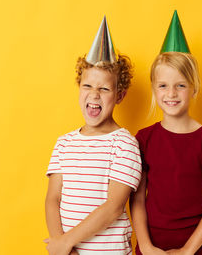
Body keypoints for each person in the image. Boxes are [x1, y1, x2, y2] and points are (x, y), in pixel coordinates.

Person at [131, 11, 202, 255]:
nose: (171, 93)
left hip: (195, 248)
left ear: (194, 89)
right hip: (150, 248)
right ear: (154, 90)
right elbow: (138, 199)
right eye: (163, 86)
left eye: (181, 85)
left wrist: (187, 251)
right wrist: (145, 246)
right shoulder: (143, 139)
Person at [44, 16, 142, 255]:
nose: (94, 94)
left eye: (104, 88)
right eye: (88, 86)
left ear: (119, 95)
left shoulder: (124, 144)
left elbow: (114, 206)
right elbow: (52, 199)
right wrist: (62, 245)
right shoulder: (64, 143)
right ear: (79, 88)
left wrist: (68, 241)